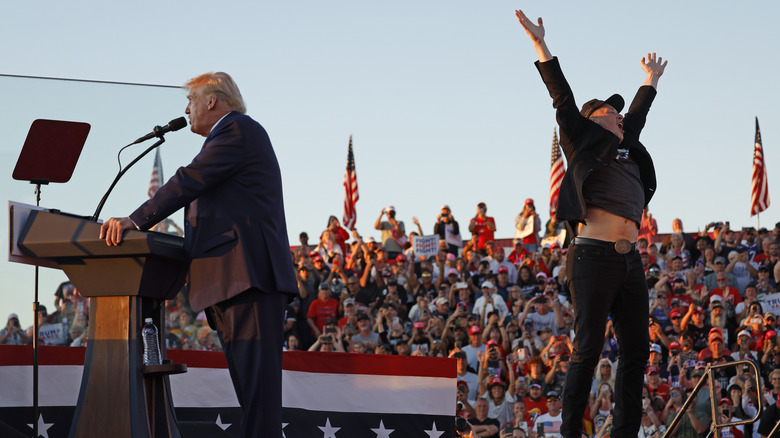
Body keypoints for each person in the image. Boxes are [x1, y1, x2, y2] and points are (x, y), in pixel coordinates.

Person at [99, 72, 297, 437]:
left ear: (212, 101)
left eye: (191, 100)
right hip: (231, 283)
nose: (186, 109)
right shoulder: (227, 137)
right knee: (253, 399)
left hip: (248, 280)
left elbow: (189, 180)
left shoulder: (239, 130)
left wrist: (137, 220)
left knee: (260, 401)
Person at [515, 9, 668, 438]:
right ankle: (570, 432)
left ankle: (623, 432)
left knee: (638, 350)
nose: (620, 117)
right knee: (587, 349)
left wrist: (650, 79)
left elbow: (638, 112)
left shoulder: (626, 142)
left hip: (630, 260)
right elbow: (561, 96)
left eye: (621, 115)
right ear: (592, 119)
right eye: (611, 112)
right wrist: (540, 44)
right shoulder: (581, 138)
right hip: (592, 255)